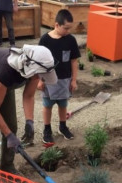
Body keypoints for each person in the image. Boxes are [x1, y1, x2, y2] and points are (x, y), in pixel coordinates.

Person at [0, 44, 58, 173]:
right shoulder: (6, 70)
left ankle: (7, 167)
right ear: (30, 68)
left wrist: (29, 122)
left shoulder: (34, 71)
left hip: (3, 84)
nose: (39, 78)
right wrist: (9, 136)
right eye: (39, 75)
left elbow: (29, 96)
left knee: (11, 126)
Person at [38, 9, 81, 145]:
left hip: (64, 80)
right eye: (65, 28)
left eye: (70, 28)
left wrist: (73, 80)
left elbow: (74, 61)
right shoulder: (45, 40)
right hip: (48, 80)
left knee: (63, 105)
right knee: (47, 105)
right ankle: (47, 130)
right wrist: (39, 80)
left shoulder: (70, 40)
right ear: (57, 25)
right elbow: (38, 63)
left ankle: (63, 126)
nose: (68, 31)